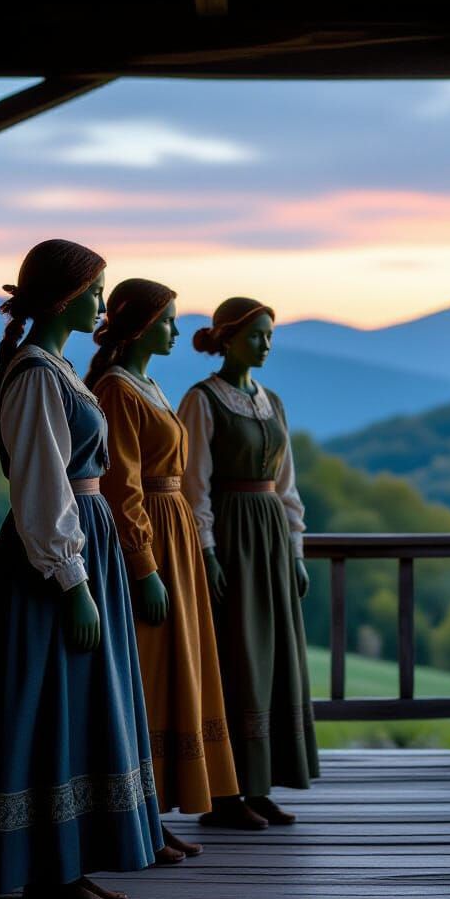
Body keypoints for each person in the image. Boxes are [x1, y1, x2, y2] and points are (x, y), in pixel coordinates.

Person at [0, 240, 162, 899]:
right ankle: (48, 872)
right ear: (67, 297)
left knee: (79, 703)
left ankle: (69, 863)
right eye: (96, 291)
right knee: (53, 706)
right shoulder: (38, 375)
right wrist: (74, 581)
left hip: (85, 543)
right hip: (56, 561)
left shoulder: (58, 368)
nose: (103, 303)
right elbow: (42, 486)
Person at [85, 278, 243, 858]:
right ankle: (138, 816)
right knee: (149, 677)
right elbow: (120, 485)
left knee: (179, 668)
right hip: (150, 533)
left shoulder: (148, 384)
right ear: (144, 325)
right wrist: (143, 566)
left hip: (175, 531)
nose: (178, 330)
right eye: (170, 320)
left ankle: (154, 813)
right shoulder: (116, 388)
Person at [178, 297, 319, 828]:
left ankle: (259, 785)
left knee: (273, 656)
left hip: (271, 539)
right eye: (257, 335)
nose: (266, 345)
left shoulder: (271, 401)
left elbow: (287, 485)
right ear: (228, 338)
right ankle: (225, 795)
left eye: (270, 335)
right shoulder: (202, 400)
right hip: (231, 536)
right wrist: (207, 551)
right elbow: (193, 484)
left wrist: (296, 551)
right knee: (237, 656)